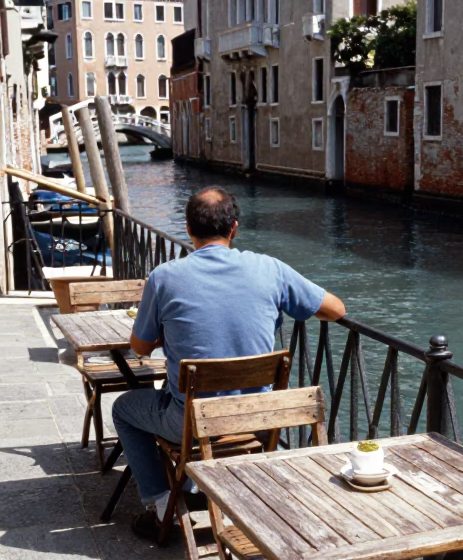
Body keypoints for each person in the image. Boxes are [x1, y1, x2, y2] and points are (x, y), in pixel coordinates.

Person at [112, 185, 346, 536]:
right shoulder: (270, 269)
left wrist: (167, 333)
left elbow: (141, 348)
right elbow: (336, 309)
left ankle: (164, 505)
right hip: (258, 419)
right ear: (234, 228)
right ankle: (196, 485)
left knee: (123, 408)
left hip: (193, 423)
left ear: (189, 229)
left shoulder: (164, 277)